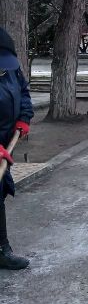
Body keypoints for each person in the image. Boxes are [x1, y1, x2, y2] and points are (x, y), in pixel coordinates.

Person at [0, 28, 33, 270]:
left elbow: (23, 92)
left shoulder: (11, 70)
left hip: (5, 142)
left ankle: (2, 249)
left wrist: (24, 118)